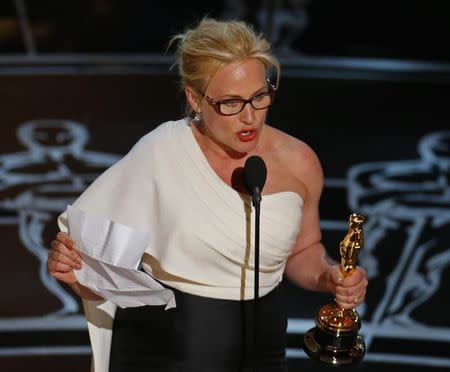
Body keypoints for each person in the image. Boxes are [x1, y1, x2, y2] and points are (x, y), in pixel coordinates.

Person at [46, 17, 368, 372]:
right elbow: (97, 268)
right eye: (230, 103)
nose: (249, 117)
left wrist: (329, 276)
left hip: (263, 347)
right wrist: (76, 275)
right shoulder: (161, 154)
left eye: (259, 97)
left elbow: (303, 251)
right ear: (195, 99)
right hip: (170, 348)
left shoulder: (299, 161)